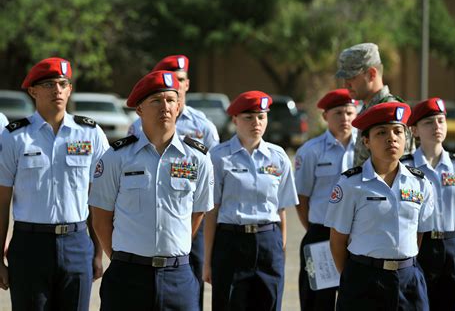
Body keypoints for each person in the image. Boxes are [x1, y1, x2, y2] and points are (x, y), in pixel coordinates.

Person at [89, 70, 214, 310]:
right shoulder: (117, 157)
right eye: (156, 100)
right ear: (139, 110)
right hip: (128, 277)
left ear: (178, 107)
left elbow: (197, 213)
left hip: (178, 277)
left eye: (170, 100)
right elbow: (101, 218)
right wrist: (123, 257)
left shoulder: (198, 158)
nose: (165, 107)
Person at [0, 57, 109, 310]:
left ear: (70, 89)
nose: (57, 90)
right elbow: (2, 200)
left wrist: (97, 251)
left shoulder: (90, 134)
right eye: (49, 84)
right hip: (30, 245)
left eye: (63, 83)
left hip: (76, 242)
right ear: (33, 91)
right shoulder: (15, 137)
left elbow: (100, 199)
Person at [128, 55, 218, 309]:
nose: (175, 85)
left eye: (180, 80)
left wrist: (186, 233)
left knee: (190, 285)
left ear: (187, 84)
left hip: (190, 220)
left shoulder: (203, 126)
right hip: (149, 220)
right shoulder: (138, 125)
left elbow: (208, 181)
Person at [325, 102, 434, 310]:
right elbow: (337, 240)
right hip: (364, 280)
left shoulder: (421, 183)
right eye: (381, 133)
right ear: (366, 141)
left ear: (406, 138)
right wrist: (353, 277)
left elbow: (419, 234)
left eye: (397, 132)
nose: (391, 138)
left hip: (408, 281)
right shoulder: (351, 184)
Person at [203, 91, 298, 311]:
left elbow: (281, 210)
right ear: (235, 120)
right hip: (231, 241)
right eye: (248, 117)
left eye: (261, 117)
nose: (256, 122)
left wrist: (280, 253)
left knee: (269, 304)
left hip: (267, 241)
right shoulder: (218, 157)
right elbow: (212, 212)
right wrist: (207, 261)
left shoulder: (278, 156)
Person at [402, 97, 455, 311]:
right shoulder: (405, 168)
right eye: (429, 122)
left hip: (453, 248)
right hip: (420, 247)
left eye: (441, 120)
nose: (437, 127)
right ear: (414, 130)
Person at [294, 89, 358, 311]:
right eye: (338, 113)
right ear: (325, 116)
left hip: (357, 236)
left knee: (355, 299)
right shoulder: (310, 151)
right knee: (317, 302)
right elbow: (301, 198)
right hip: (320, 235)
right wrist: (315, 227)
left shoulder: (365, 149)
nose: (345, 118)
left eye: (350, 112)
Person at [335, 42, 414, 166]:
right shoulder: (367, 110)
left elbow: (401, 172)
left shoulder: (391, 111)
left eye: (351, 77)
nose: (345, 84)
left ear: (371, 74)